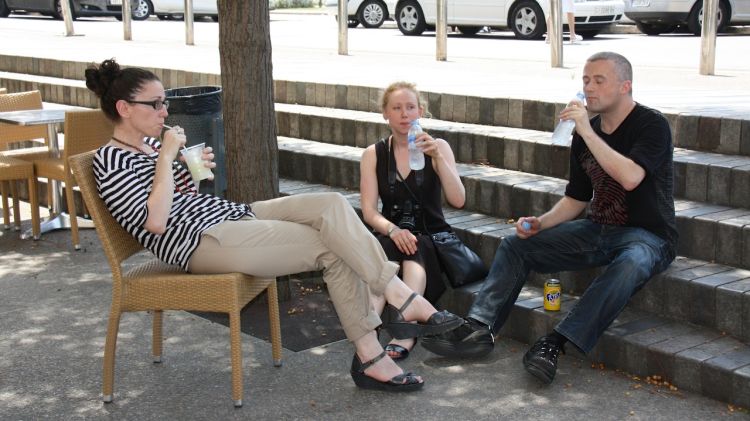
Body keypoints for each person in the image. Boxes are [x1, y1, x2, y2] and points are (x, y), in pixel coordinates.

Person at [84, 59, 463, 392]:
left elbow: (186, 198)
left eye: (164, 102)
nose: (165, 111)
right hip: (203, 243)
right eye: (155, 104)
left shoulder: (152, 148)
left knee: (330, 206)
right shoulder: (112, 160)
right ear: (124, 108)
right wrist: (168, 160)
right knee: (330, 244)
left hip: (229, 216)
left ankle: (397, 300)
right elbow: (155, 222)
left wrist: (189, 169)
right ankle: (378, 342)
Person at [422, 51, 677, 385]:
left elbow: (630, 177)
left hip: (649, 236)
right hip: (598, 229)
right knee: (516, 244)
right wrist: (541, 223)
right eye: (586, 80)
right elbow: (576, 200)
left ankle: (554, 343)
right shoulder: (586, 132)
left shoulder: (651, 125)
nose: (589, 88)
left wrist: (587, 131)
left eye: (599, 80)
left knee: (631, 262)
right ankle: (480, 329)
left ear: (625, 86)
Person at [360, 82, 466, 361]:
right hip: (391, 232)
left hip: (430, 235)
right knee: (386, 249)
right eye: (397, 108)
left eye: (410, 107)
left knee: (414, 246)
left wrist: (438, 157)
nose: (404, 114)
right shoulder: (374, 154)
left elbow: (459, 200)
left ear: (420, 111)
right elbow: (369, 211)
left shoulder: (438, 146)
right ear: (385, 114)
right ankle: (368, 331)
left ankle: (404, 332)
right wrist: (393, 230)